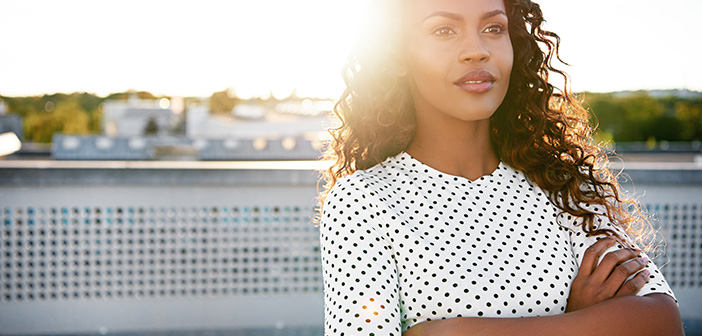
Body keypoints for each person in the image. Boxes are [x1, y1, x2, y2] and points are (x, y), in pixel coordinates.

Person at [318, 0, 683, 335]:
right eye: (444, 30)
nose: (477, 50)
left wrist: (448, 332)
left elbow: (663, 321)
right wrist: (576, 322)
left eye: (494, 28)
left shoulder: (561, 184)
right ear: (396, 55)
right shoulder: (362, 201)